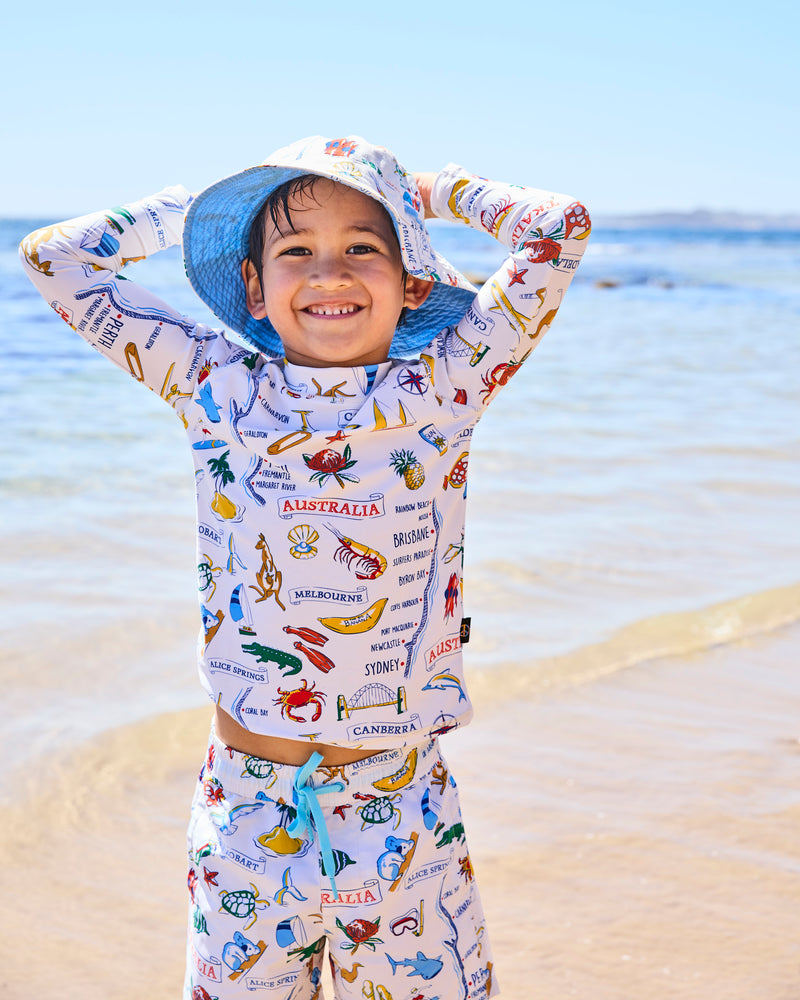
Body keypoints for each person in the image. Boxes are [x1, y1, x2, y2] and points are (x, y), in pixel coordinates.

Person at [20, 135, 590, 1000]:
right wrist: (198, 212)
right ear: (254, 285)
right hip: (248, 812)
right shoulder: (214, 386)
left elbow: (557, 229)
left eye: (364, 247)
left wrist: (426, 191)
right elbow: (52, 258)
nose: (329, 274)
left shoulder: (445, 388)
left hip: (399, 806)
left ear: (412, 283)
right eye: (295, 252)